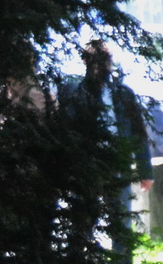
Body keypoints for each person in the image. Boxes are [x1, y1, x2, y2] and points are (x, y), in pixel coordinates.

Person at [59, 39, 152, 253]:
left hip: (117, 167)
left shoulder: (123, 94)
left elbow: (137, 133)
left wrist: (145, 170)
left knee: (121, 224)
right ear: (86, 63)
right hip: (86, 169)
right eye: (95, 61)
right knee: (81, 224)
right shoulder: (72, 93)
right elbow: (67, 133)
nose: (101, 66)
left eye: (105, 61)